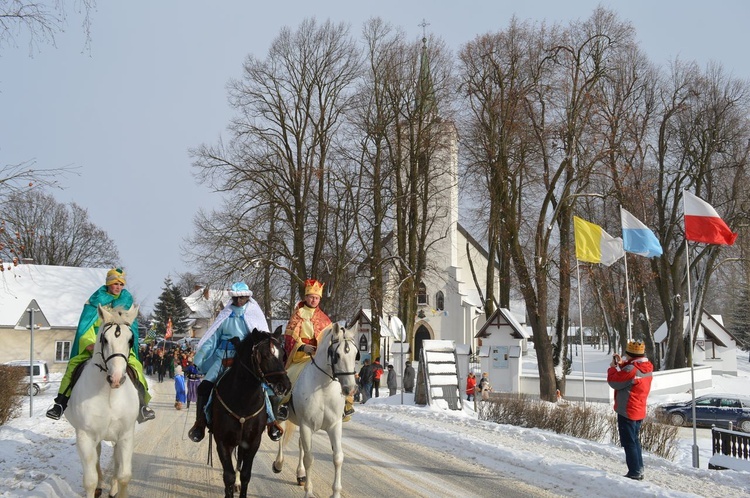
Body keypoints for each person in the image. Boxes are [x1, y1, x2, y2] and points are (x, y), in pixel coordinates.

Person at [46, 268, 155, 423]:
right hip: (96, 346)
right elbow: (86, 326)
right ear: (108, 283)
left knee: (135, 367)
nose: (118, 287)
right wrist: (89, 343)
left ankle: (142, 406)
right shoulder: (94, 301)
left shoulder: (128, 303)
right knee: (73, 367)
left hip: (119, 348)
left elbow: (131, 329)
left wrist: (126, 345)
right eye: (115, 283)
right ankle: (61, 403)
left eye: (120, 284)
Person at [188, 282, 277, 442]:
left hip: (247, 362)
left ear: (248, 297)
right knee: (204, 386)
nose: (239, 301)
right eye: (236, 298)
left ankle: (272, 422)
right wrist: (199, 358)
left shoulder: (254, 317)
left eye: (242, 297)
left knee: (266, 386)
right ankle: (200, 423)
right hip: (223, 359)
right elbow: (212, 340)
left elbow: (262, 343)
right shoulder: (224, 317)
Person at [278, 279, 355, 420]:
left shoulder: (325, 319)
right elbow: (289, 337)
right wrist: (302, 346)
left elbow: (332, 340)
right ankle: (283, 406)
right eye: (311, 297)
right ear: (306, 297)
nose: (314, 300)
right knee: (290, 376)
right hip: (301, 357)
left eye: (317, 298)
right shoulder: (298, 315)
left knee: (338, 374)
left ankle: (345, 404)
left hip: (320, 356)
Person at [607, 340, 653, 481]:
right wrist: (622, 364)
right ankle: (639, 468)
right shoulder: (647, 366)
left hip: (627, 409)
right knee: (635, 440)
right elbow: (631, 371)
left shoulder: (631, 369)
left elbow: (614, 381)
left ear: (631, 354)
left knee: (629, 442)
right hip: (638, 408)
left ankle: (634, 472)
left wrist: (612, 368)